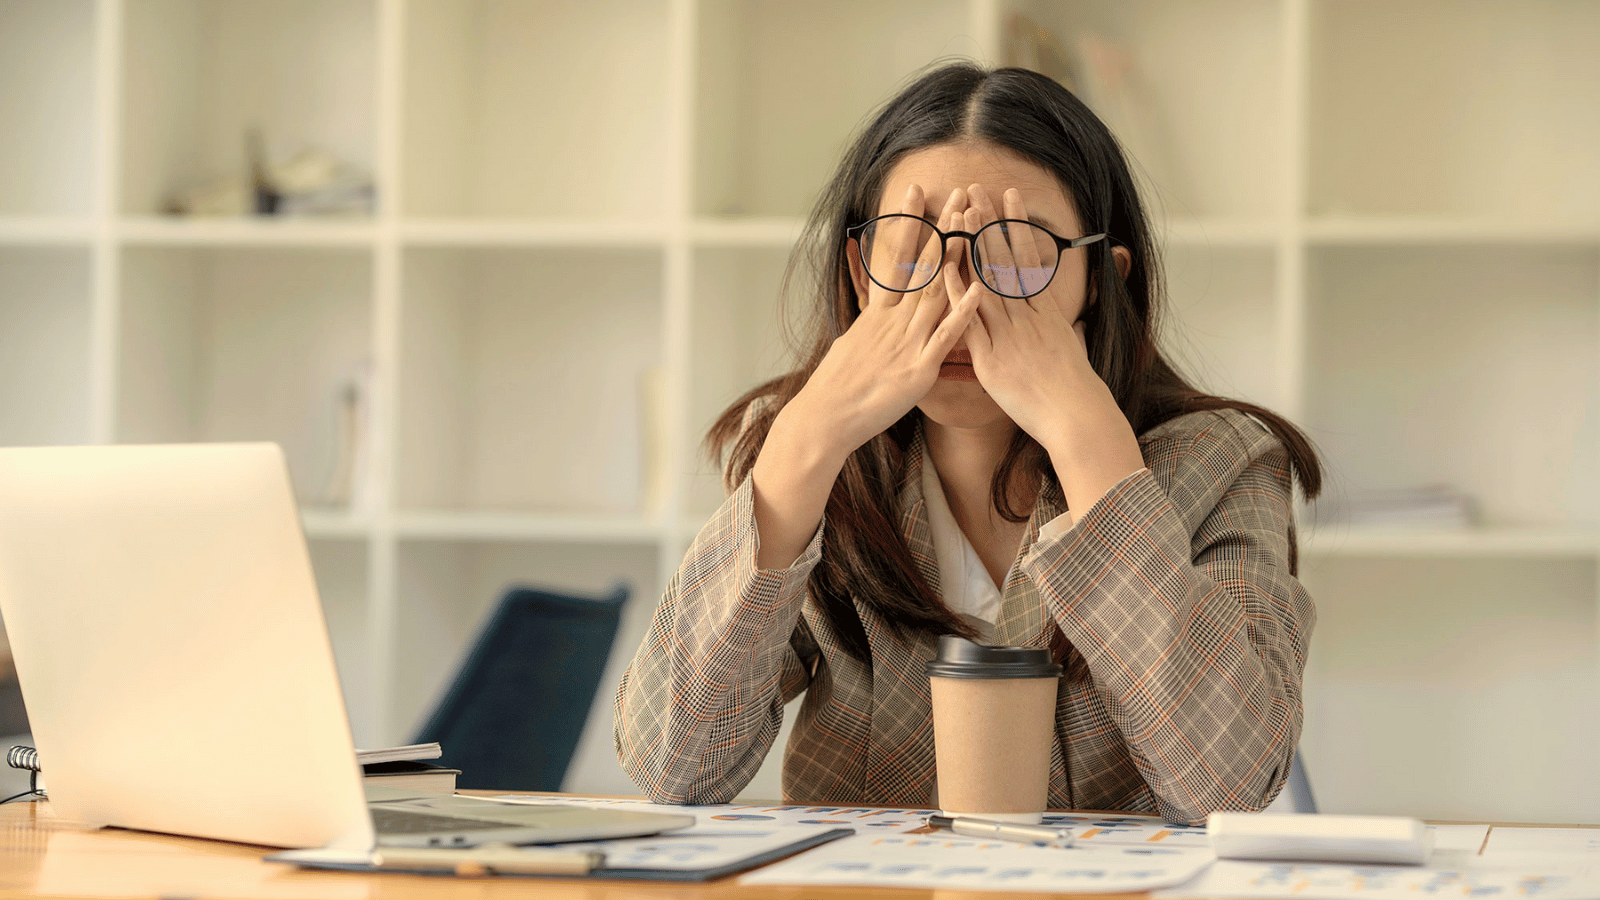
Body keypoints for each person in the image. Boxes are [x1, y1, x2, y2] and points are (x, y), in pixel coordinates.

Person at [613, 62, 1320, 825]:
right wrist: (805, 441)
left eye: (1015, 250)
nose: (958, 295)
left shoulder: (1225, 461)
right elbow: (670, 767)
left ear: (1101, 282)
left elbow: (1229, 786)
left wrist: (1091, 446)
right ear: (859, 274)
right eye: (913, 246)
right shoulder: (810, 459)